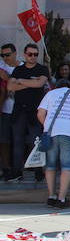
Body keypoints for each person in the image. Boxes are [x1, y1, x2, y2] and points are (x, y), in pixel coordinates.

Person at [37, 78, 70, 208]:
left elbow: (40, 114)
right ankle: (62, 199)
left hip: (51, 133)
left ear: (57, 86)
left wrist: (47, 126)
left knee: (50, 165)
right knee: (67, 167)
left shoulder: (50, 94)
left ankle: (51, 196)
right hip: (69, 133)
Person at [8, 43, 50, 182]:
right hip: (19, 110)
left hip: (35, 111)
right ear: (25, 54)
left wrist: (20, 82)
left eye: (36, 54)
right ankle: (17, 171)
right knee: (18, 141)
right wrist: (30, 82)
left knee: (35, 142)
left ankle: (38, 171)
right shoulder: (18, 70)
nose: (33, 57)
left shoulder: (42, 69)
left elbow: (40, 84)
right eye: (30, 54)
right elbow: (10, 86)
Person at [0, 43, 21, 180]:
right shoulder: (1, 67)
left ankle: (18, 169)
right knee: (4, 140)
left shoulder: (23, 67)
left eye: (7, 54)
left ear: (15, 53)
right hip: (5, 109)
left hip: (21, 110)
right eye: (2, 55)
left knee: (19, 141)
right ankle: (6, 168)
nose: (5, 58)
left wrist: (8, 79)